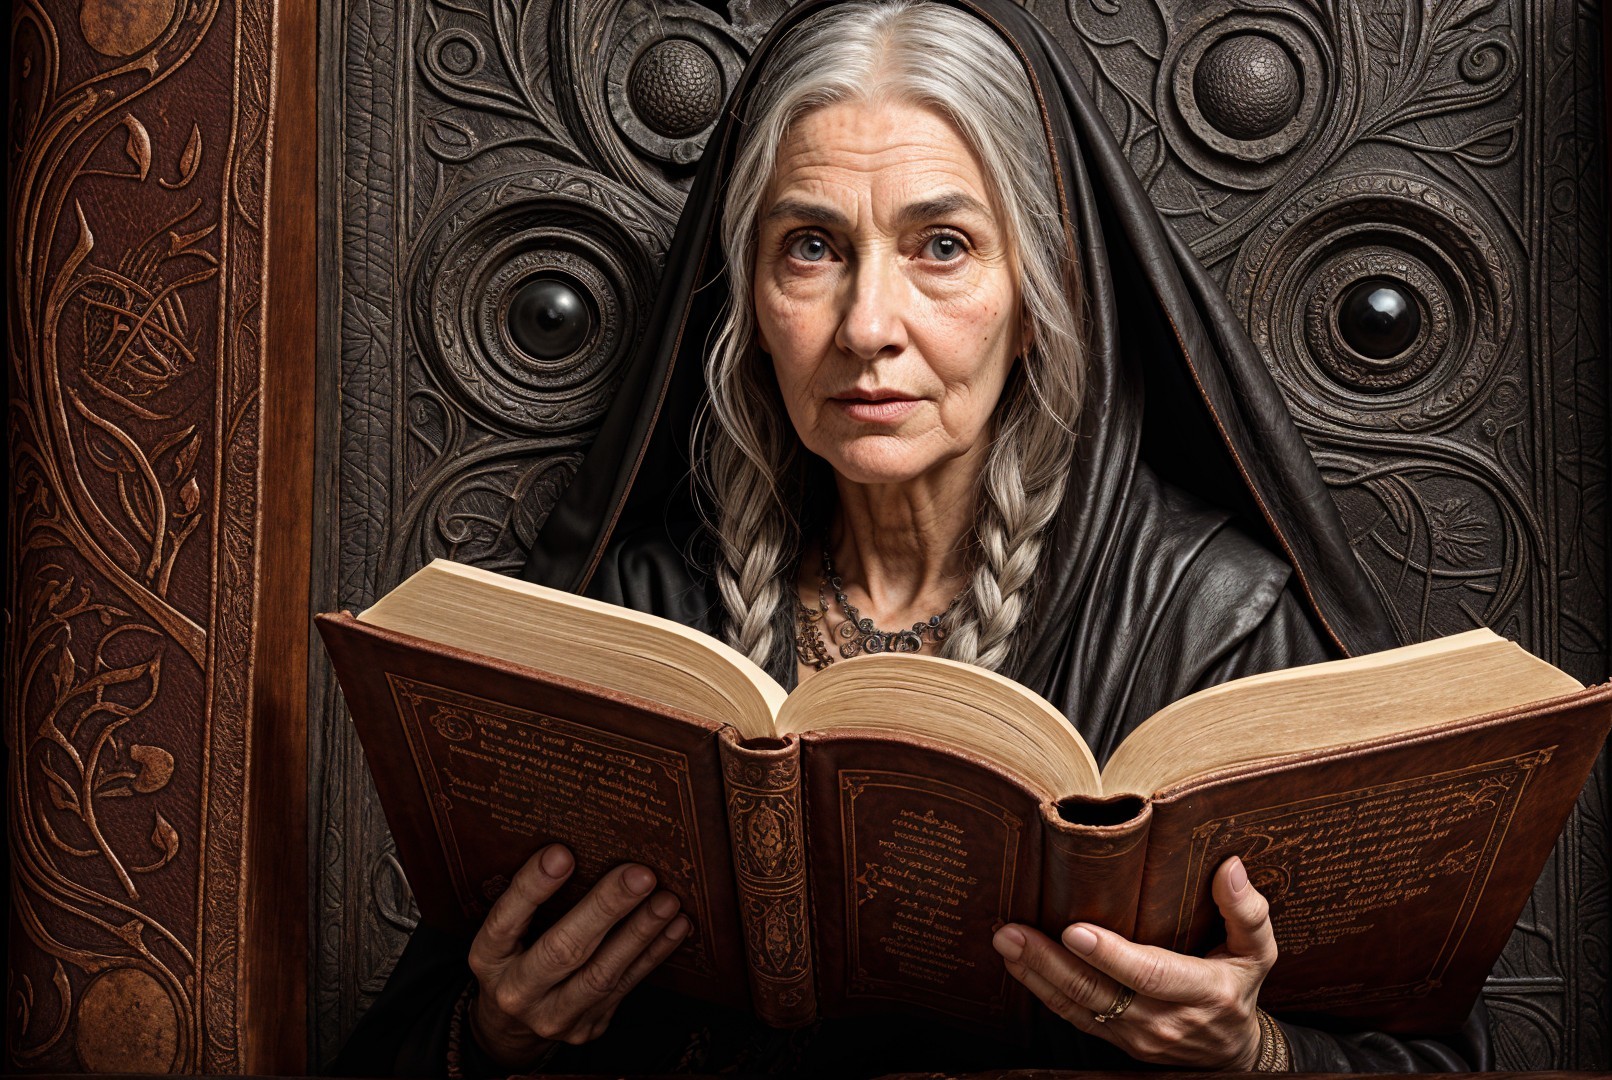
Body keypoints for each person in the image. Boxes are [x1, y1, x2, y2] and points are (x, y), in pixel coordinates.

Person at [333, 0, 1494, 1073]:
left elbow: (1443, 1057)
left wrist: (1257, 1056)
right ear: (748, 302)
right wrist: (494, 1036)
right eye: (812, 247)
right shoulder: (635, 617)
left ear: (1040, 298)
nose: (867, 326)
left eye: (942, 246)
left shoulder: (1218, 625)